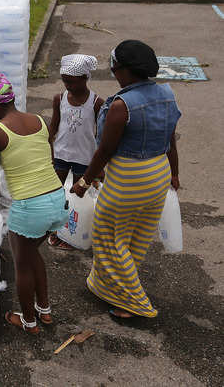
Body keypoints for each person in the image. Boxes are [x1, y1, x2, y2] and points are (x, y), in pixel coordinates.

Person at [71, 40, 180, 319]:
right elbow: (171, 141)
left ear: (124, 70)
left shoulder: (122, 105)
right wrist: (175, 174)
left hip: (128, 182)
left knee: (108, 240)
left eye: (115, 68)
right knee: (135, 239)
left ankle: (134, 304)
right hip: (158, 175)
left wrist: (84, 181)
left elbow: (105, 151)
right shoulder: (167, 94)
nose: (114, 73)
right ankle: (105, 286)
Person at [0, 72, 68, 334]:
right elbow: (48, 161)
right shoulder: (40, 121)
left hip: (31, 207)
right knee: (32, 254)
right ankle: (45, 311)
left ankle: (28, 321)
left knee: (21, 263)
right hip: (57, 198)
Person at [47, 54, 104, 250]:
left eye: (71, 81)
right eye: (65, 81)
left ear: (85, 78)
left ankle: (73, 232)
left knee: (78, 196)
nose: (67, 85)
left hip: (84, 158)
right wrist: (49, 149)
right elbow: (53, 127)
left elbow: (102, 135)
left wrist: (100, 165)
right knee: (55, 193)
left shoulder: (96, 103)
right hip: (61, 154)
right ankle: (56, 229)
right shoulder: (60, 99)